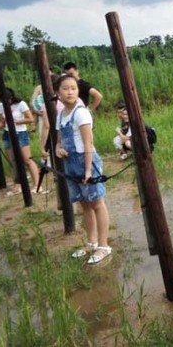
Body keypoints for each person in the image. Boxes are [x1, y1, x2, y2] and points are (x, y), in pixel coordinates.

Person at [54, 74, 112, 265]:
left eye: (73, 88)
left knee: (96, 203)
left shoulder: (81, 113)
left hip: (86, 161)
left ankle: (104, 246)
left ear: (78, 91)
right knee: (84, 205)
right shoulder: (61, 115)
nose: (70, 92)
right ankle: (91, 242)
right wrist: (58, 149)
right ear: (57, 93)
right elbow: (59, 141)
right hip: (70, 163)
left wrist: (88, 171)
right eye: (65, 88)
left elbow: (88, 143)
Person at [0, 87, 41, 196]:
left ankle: (37, 185)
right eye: (2, 101)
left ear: (11, 98)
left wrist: (17, 121)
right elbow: (2, 122)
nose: (4, 103)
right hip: (8, 134)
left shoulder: (21, 104)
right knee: (13, 161)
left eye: (5, 100)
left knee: (27, 159)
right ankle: (17, 186)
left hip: (20, 134)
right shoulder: (0, 107)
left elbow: (30, 119)